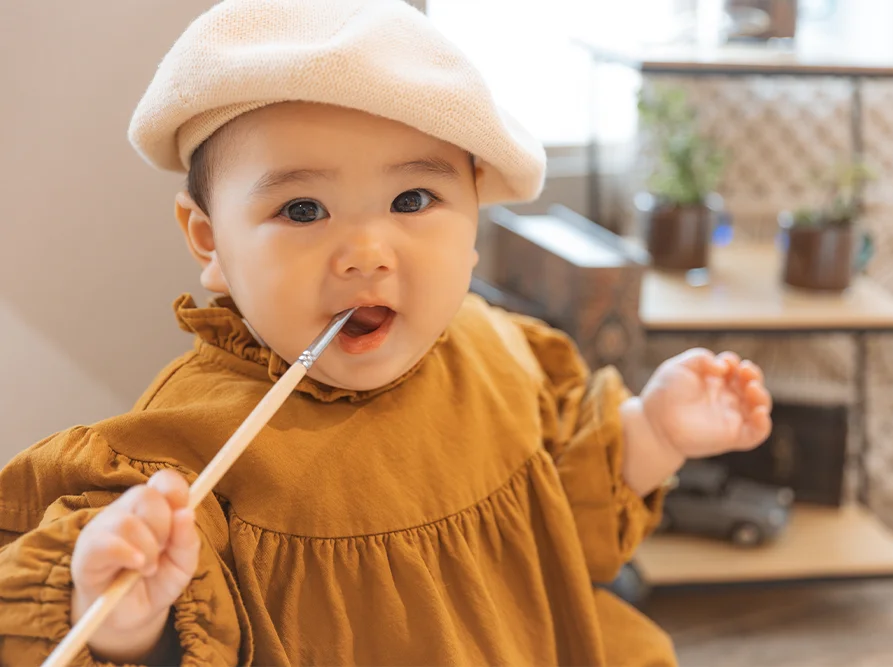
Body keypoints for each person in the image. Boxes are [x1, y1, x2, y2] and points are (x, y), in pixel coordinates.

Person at [0, 1, 772, 664]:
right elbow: (176, 631)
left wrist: (657, 431)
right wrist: (126, 614)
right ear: (210, 244)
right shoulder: (182, 451)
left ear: (475, 217)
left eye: (412, 199)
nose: (366, 253)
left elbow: (566, 531)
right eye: (302, 210)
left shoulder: (504, 352)